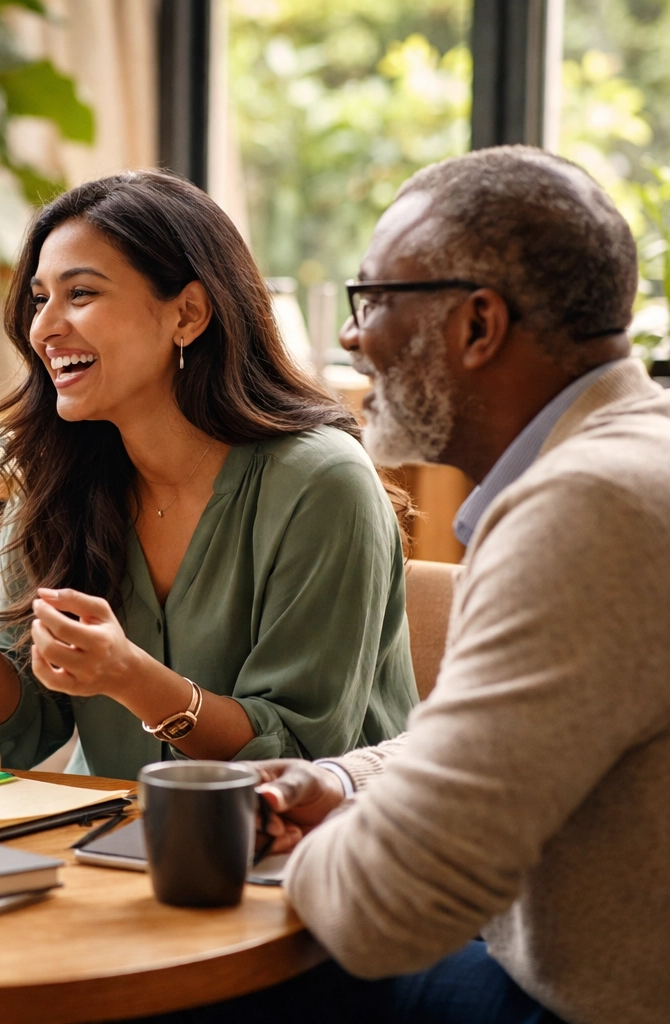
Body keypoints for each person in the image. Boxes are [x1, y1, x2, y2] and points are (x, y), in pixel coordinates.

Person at [153, 147, 670, 1024]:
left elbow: (391, 909)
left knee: (184, 981)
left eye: (375, 301)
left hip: (588, 1004)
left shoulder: (586, 509)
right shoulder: (631, 451)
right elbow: (493, 746)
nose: (352, 339)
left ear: (478, 325)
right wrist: (345, 785)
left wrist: (297, 850)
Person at [0, 171, 417, 781]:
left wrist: (133, 678)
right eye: (38, 298)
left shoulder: (322, 484)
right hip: (106, 844)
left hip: (308, 850)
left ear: (187, 314)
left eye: (80, 294)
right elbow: (21, 739)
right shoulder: (57, 479)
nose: (45, 327)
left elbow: (297, 756)